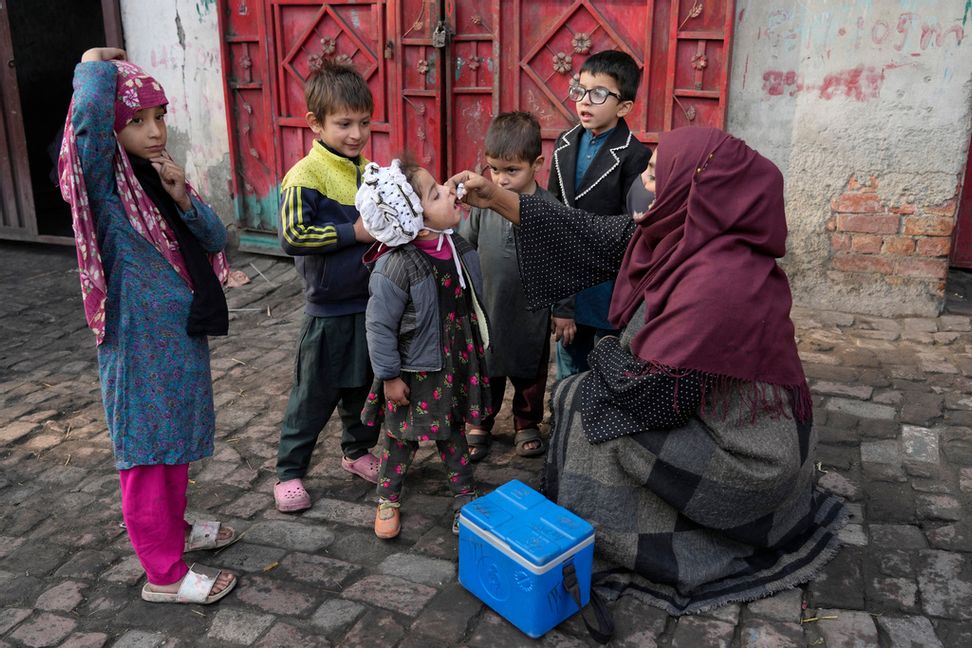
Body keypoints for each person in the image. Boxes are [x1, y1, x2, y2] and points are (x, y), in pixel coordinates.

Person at [452, 126, 847, 615]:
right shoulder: (686, 234)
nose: (643, 179)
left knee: (584, 402)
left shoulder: (720, 279)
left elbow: (653, 399)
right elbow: (585, 231)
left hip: (743, 453)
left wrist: (606, 351)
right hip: (694, 404)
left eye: (657, 174)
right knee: (582, 394)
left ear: (695, 185)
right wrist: (494, 197)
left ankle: (619, 529)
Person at [59, 47, 237, 605]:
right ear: (114, 129)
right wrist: (91, 67)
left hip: (178, 341)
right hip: (137, 347)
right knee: (144, 456)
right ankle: (163, 575)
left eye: (159, 116)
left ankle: (174, 531)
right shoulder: (106, 194)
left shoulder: (155, 178)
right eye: (135, 121)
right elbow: (86, 130)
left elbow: (212, 240)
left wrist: (184, 198)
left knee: (174, 445)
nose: (154, 131)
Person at [357, 158, 489, 539]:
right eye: (436, 193)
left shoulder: (456, 246)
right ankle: (387, 498)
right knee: (401, 437)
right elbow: (379, 326)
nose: (448, 190)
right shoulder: (396, 267)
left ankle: (465, 497)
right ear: (413, 217)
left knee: (453, 433)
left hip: (454, 361)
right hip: (415, 371)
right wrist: (389, 376)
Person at [273, 60, 381, 514]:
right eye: (343, 124)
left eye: (363, 123)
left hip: (371, 306)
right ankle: (289, 472)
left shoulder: (369, 171)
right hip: (327, 311)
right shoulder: (304, 177)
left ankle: (356, 452)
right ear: (315, 124)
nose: (355, 134)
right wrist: (352, 234)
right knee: (312, 395)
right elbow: (292, 236)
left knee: (365, 386)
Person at [458, 112, 556, 461]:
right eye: (495, 170)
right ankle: (480, 422)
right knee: (487, 367)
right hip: (489, 306)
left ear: (537, 164)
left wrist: (566, 312)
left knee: (530, 368)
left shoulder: (549, 209)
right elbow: (466, 245)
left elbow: (564, 263)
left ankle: (526, 422)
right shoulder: (486, 203)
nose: (501, 179)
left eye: (511, 170)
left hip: (532, 311)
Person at [547, 50, 651, 380]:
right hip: (566, 278)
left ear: (624, 107)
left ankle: (598, 426)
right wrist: (560, 301)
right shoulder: (564, 143)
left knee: (606, 364)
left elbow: (632, 231)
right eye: (580, 89)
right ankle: (564, 422)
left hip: (607, 283)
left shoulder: (635, 155)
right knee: (568, 362)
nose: (585, 101)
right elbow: (552, 213)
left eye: (599, 93)